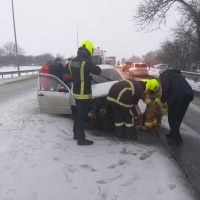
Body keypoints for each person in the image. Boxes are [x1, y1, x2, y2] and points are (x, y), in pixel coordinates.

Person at [65, 40, 102, 145]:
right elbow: (98, 71)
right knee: (82, 116)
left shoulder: (72, 62)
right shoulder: (86, 62)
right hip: (84, 94)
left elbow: (65, 69)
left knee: (78, 114)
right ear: (89, 50)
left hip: (76, 93)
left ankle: (76, 134)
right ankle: (81, 139)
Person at [159, 69, 194, 146]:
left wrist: (162, 101)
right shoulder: (177, 75)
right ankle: (173, 134)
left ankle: (177, 139)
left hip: (178, 96)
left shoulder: (165, 75)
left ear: (161, 74)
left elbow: (166, 88)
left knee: (172, 117)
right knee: (178, 117)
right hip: (188, 95)